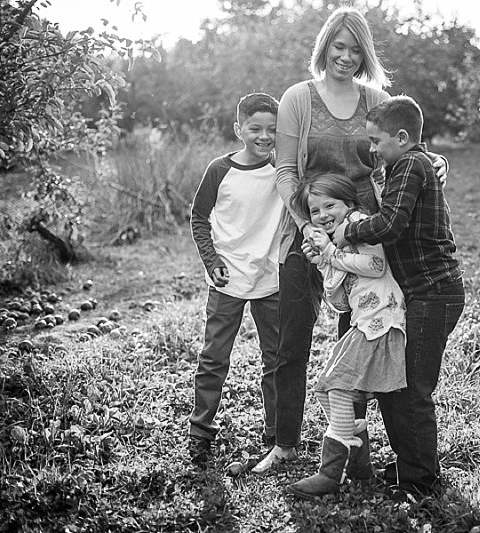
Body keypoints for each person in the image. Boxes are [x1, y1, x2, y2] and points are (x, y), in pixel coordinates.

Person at [252, 6, 448, 474]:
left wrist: (437, 162)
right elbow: (284, 170)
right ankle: (284, 443)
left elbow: (404, 149)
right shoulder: (299, 98)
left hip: (369, 240)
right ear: (324, 47)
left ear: (365, 54)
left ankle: (352, 453)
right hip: (306, 232)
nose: (345, 56)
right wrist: (306, 225)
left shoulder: (374, 97)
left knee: (362, 342)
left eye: (355, 49)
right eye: (338, 47)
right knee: (291, 342)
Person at [333, 95, 465, 496]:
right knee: (395, 385)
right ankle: (411, 468)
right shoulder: (411, 163)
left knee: (412, 390)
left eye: (376, 141)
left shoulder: (409, 164)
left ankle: (422, 483)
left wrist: (347, 233)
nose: (372, 149)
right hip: (419, 295)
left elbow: (390, 223)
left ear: (403, 137)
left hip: (433, 293)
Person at [282, 173, 406, 498]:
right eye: (315, 211)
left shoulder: (359, 223)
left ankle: (330, 474)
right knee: (326, 389)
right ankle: (360, 467)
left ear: (347, 203)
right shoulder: (336, 239)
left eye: (329, 205)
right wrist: (324, 263)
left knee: (337, 386)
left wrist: (333, 254)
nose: (323, 215)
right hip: (362, 321)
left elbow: (377, 264)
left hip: (380, 319)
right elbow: (339, 303)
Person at [188, 93, 287, 466]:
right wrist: (211, 261)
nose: (264, 136)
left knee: (275, 360)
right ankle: (200, 432)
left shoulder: (283, 169)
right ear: (238, 129)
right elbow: (199, 218)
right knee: (214, 357)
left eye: (272, 130)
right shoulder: (219, 169)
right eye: (255, 128)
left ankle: (276, 432)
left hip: (270, 278)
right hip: (227, 277)